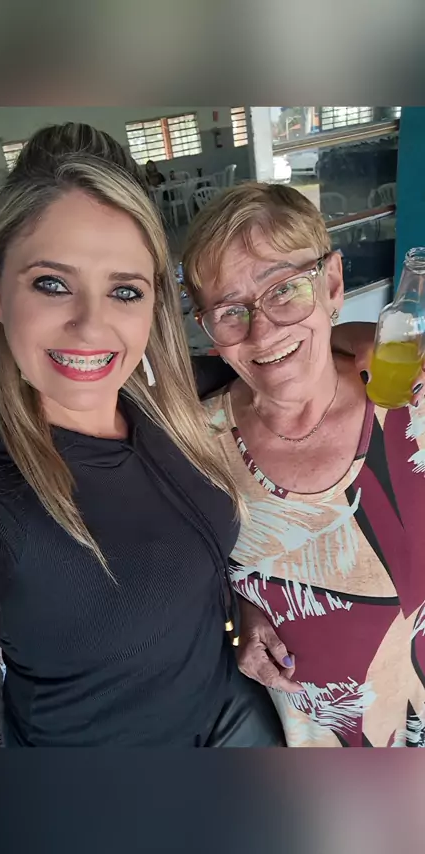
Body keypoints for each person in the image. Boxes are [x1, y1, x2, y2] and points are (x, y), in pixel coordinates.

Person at [0, 124, 284, 747]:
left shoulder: (162, 402)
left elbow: (267, 362)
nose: (91, 327)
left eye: (124, 290)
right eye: (52, 283)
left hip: (235, 713)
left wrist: (357, 347)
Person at [183, 181, 425, 748]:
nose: (263, 329)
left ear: (332, 283)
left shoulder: (412, 398)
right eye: (230, 311)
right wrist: (238, 610)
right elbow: (184, 574)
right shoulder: (194, 447)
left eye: (285, 289)